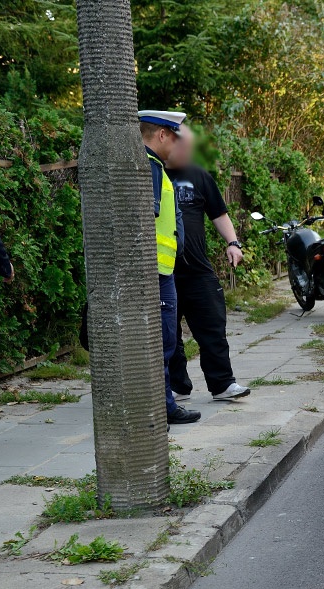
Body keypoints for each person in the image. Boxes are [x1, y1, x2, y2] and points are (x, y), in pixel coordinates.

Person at [165, 124, 251, 402]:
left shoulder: (198, 175)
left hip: (198, 269)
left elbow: (218, 213)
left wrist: (233, 242)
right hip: (163, 270)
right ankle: (177, 385)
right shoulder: (150, 173)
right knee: (168, 333)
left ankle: (223, 384)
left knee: (213, 325)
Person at [138, 110, 200, 426]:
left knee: (164, 341)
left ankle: (163, 405)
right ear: (162, 134)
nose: (177, 143)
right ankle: (163, 408)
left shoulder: (155, 167)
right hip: (155, 272)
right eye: (174, 136)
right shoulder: (148, 167)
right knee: (161, 342)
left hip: (162, 270)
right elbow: (142, 221)